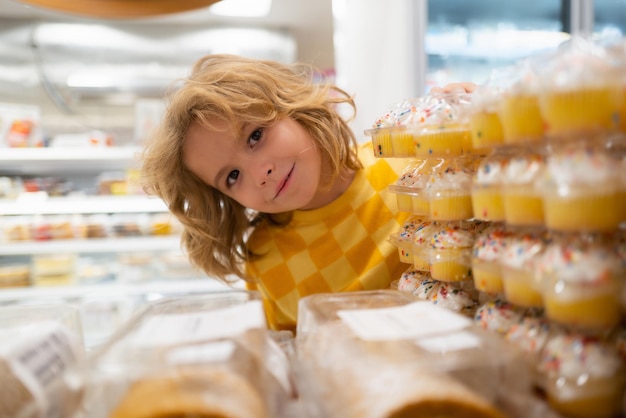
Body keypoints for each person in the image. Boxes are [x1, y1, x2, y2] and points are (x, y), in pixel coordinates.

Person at [141, 53, 475, 332]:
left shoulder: (407, 162)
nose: (260, 174)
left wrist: (477, 129)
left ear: (293, 109)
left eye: (256, 135)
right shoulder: (267, 260)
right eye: (232, 176)